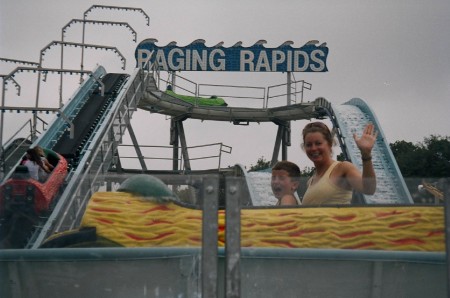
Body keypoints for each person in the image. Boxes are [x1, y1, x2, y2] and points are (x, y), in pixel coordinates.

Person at [301, 122, 377, 205]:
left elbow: (368, 189)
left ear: (330, 144)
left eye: (318, 143)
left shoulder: (342, 168)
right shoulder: (310, 181)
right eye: (309, 145)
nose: (313, 148)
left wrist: (366, 154)